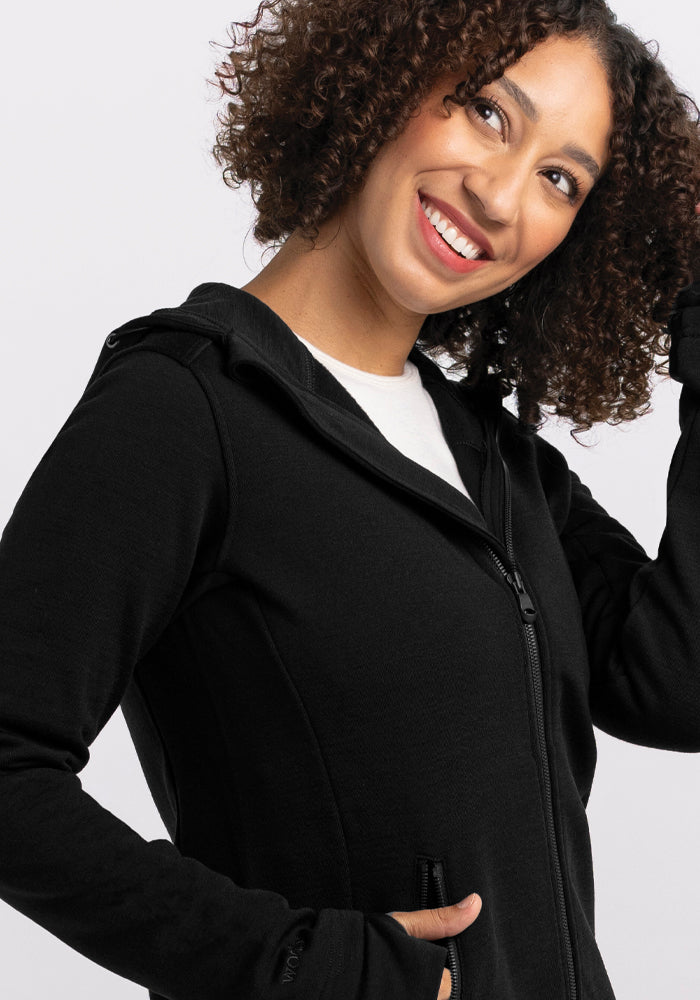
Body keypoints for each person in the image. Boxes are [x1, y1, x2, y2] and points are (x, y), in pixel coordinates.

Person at [0, 1, 698, 999]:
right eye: (487, 114)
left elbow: (675, 679)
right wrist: (297, 963)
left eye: (559, 179)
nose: (501, 197)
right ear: (386, 83)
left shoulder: (497, 460)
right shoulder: (187, 407)